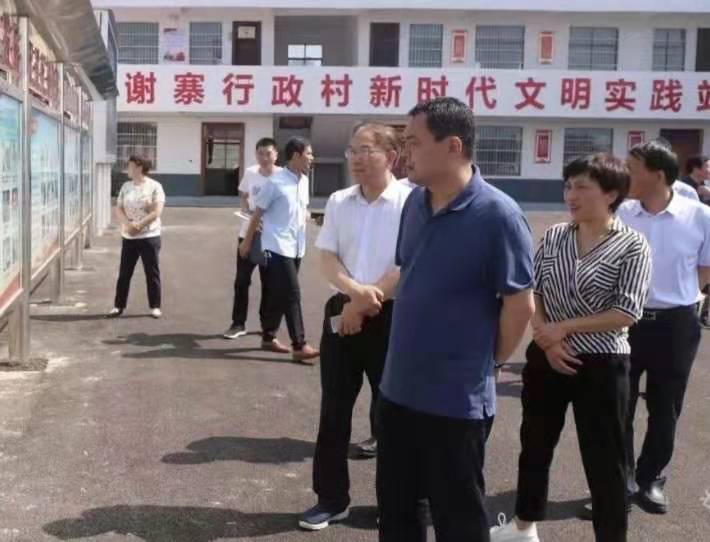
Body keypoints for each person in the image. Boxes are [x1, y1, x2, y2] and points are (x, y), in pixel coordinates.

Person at [376, 97, 535, 542]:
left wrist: (488, 362)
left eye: (414, 142)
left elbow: (520, 305)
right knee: (397, 515)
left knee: (459, 520)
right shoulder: (414, 203)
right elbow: (409, 270)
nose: (404, 153)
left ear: (453, 146)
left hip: (455, 403)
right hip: (397, 391)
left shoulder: (499, 215)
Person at [490, 154, 652, 542]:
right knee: (535, 445)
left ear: (611, 194)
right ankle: (523, 526)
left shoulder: (633, 245)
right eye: (568, 186)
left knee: (605, 459)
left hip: (602, 362)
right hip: (547, 357)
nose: (571, 195)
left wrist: (563, 328)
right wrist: (546, 337)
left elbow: (626, 311)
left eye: (582, 187)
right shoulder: (556, 236)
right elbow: (535, 289)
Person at [299, 123, 412, 531]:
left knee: (392, 415)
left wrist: (366, 301)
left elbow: (409, 261)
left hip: (393, 316)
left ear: (391, 157)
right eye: (353, 150)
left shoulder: (412, 201)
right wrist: (354, 296)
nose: (357, 159)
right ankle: (331, 499)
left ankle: (393, 502)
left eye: (367, 150)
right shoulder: (339, 200)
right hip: (343, 310)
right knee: (334, 410)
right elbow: (328, 258)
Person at [617, 141, 710, 515]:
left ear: (657, 174)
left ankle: (650, 478)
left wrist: (682, 295)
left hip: (676, 325)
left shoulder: (700, 215)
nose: (625, 174)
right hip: (624, 322)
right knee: (617, 403)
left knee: (665, 405)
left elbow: (705, 268)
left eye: (632, 168)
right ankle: (619, 480)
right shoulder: (621, 211)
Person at [240, 137, 319, 363]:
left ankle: (268, 336)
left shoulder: (304, 181)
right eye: (309, 154)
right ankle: (299, 345)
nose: (312, 158)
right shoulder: (275, 182)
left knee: (278, 293)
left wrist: (313, 218)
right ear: (296, 155)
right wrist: (247, 242)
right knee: (292, 293)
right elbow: (258, 213)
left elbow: (300, 210)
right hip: (276, 245)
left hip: (297, 246)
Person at [223, 138, 283, 341]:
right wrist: (246, 212)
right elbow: (243, 194)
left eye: (268, 153)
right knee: (241, 281)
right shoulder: (250, 172)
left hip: (272, 239)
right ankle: (238, 324)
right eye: (260, 153)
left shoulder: (283, 176)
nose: (264, 158)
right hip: (246, 235)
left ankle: (267, 327)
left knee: (269, 283)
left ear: (276, 155)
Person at [107, 155, 165, 319]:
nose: (128, 169)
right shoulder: (126, 186)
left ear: (139, 168)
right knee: (124, 273)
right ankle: (118, 306)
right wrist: (128, 225)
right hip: (129, 236)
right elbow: (118, 208)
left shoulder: (155, 186)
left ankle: (155, 306)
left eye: (130, 166)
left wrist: (139, 225)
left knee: (151, 272)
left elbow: (157, 211)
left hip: (149, 236)